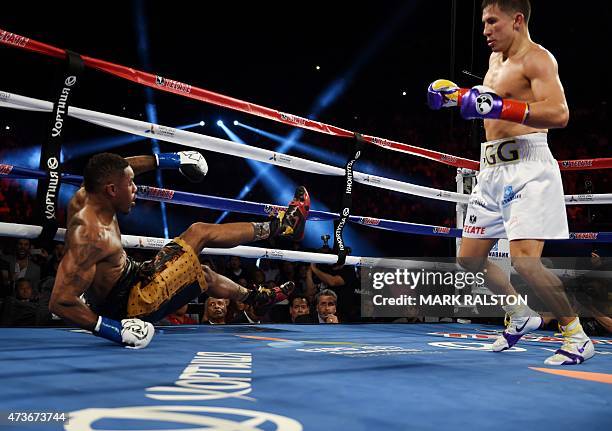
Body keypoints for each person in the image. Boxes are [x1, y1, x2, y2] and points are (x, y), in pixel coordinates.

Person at [427, 0, 594, 365]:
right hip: (490, 170)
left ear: (516, 20)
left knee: (525, 263)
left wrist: (501, 107)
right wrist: (456, 98)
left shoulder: (537, 59)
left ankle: (576, 336)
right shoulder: (494, 61)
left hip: (528, 168)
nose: (485, 30)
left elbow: (559, 113)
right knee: (469, 260)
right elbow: (493, 105)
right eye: (483, 22)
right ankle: (520, 314)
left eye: (492, 22)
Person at [49, 151, 308, 349]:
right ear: (112, 190)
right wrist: (114, 330)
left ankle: (255, 299)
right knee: (199, 233)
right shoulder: (91, 236)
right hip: (132, 306)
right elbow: (60, 301)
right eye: (130, 185)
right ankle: (283, 227)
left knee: (202, 274)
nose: (136, 188)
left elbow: (122, 168)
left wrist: (173, 159)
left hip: (134, 276)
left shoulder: (90, 192)